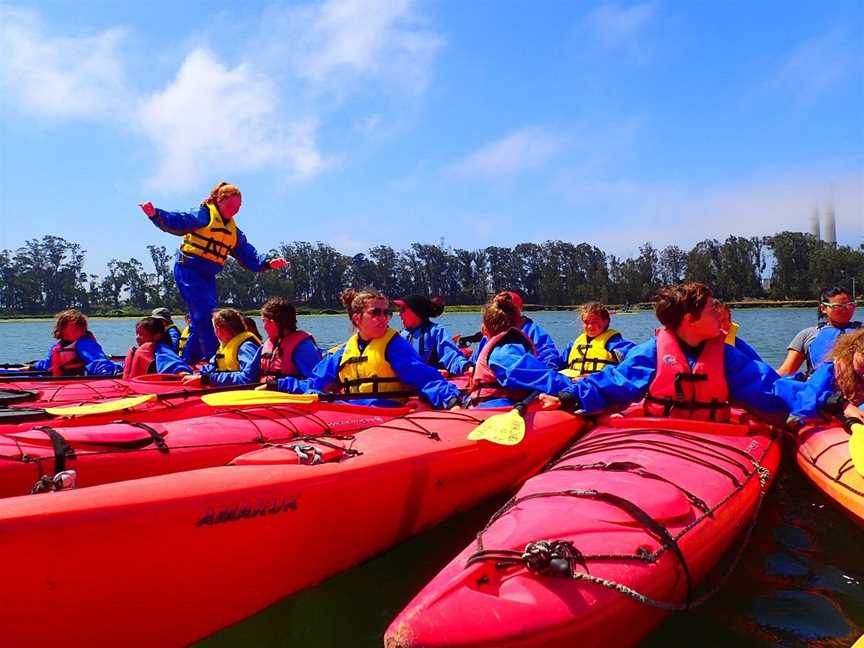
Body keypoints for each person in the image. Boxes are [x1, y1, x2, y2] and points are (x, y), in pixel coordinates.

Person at [541, 282, 788, 423]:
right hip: (660, 429)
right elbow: (615, 381)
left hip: (716, 433)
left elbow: (770, 389)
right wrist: (568, 396)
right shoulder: (651, 352)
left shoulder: (726, 356)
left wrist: (818, 400)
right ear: (691, 319)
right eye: (713, 310)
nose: (720, 315)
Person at [139, 181, 288, 364]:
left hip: (207, 276)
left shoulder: (233, 231)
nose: (236, 210)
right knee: (205, 315)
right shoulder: (204, 215)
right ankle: (214, 361)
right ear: (219, 200)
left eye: (239, 206)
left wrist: (267, 263)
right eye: (232, 205)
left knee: (201, 317)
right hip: (189, 270)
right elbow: (180, 220)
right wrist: (156, 214)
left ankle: (188, 360)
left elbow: (246, 252)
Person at [272, 288, 462, 408]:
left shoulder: (394, 345)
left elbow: (425, 378)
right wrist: (281, 385)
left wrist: (452, 402)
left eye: (386, 313)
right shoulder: (344, 351)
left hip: (386, 414)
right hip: (352, 413)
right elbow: (314, 384)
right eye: (375, 313)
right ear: (357, 318)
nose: (384, 318)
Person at [466, 292, 574, 408]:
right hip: (494, 408)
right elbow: (543, 378)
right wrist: (573, 389)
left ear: (485, 329)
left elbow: (546, 358)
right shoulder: (504, 353)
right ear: (518, 323)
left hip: (491, 405)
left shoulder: (503, 346)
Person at [779, 328, 864, 424]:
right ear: (853, 350)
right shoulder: (831, 369)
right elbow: (811, 396)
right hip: (828, 414)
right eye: (862, 366)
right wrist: (844, 405)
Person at [777, 286, 860, 376]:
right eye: (838, 307)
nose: (845, 310)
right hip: (819, 387)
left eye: (850, 305)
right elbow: (786, 371)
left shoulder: (861, 333)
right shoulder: (807, 335)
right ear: (823, 308)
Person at [470, 291, 560, 370]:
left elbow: (549, 355)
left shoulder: (532, 331)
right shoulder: (487, 337)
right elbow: (474, 362)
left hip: (526, 378)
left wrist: (548, 372)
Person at [395, 295, 471, 376]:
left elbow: (451, 356)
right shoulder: (401, 335)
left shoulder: (435, 331)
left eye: (402, 309)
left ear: (416, 311)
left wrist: (467, 367)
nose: (399, 314)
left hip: (429, 383)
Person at [182, 308, 261, 387]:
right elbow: (212, 367)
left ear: (219, 329)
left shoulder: (246, 347)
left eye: (214, 329)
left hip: (242, 395)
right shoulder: (224, 347)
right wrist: (196, 374)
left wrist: (208, 379)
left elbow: (248, 379)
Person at [31, 309, 120, 376]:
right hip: (62, 383)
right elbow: (48, 363)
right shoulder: (57, 347)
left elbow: (97, 361)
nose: (80, 329)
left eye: (80, 326)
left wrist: (106, 374)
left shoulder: (84, 343)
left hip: (83, 381)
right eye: (76, 326)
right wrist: (33, 367)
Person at [558, 302, 635, 378]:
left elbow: (631, 362)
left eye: (595, 322)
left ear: (606, 321)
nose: (590, 326)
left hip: (599, 384)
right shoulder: (573, 344)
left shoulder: (615, 343)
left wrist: (597, 377)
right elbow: (560, 365)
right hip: (573, 383)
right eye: (586, 322)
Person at [259, 298, 322, 380]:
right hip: (264, 391)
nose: (263, 327)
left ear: (274, 323)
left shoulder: (302, 347)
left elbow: (317, 382)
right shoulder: (267, 345)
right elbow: (248, 375)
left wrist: (281, 385)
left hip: (287, 391)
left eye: (264, 321)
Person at [123, 317, 192, 379]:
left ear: (157, 336)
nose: (137, 337)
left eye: (141, 334)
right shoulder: (141, 350)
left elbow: (174, 365)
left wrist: (184, 375)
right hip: (134, 386)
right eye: (137, 333)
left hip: (150, 389)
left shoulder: (161, 349)